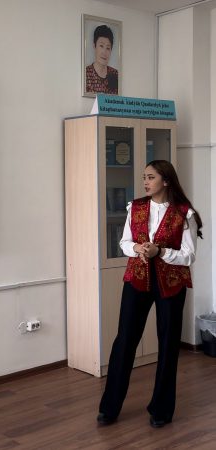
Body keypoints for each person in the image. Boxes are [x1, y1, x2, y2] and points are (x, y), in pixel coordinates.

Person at [97, 160, 203, 428]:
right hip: (137, 279)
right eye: (144, 177)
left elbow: (189, 255)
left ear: (166, 181)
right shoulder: (135, 207)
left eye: (151, 177)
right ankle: (109, 408)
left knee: (168, 344)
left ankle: (161, 410)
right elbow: (124, 242)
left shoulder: (185, 213)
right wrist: (139, 249)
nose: (145, 182)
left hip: (172, 284)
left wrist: (161, 251)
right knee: (124, 340)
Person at [86, 24, 118, 95]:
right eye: (101, 46)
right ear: (94, 46)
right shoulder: (86, 74)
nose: (104, 52)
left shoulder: (116, 74)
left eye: (108, 48)